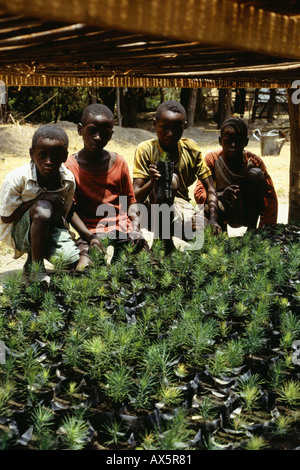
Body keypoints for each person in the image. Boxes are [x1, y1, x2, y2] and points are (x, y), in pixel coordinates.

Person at [133, 100, 221, 251]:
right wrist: (152, 183)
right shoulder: (145, 150)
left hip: (182, 207)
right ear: (155, 124)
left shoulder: (191, 149)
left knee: (206, 233)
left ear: (184, 126)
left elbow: (210, 188)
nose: (170, 134)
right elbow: (135, 196)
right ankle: (163, 243)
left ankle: (175, 235)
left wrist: (213, 219)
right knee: (170, 180)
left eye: (176, 129)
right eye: (164, 127)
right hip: (151, 210)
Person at [65, 103, 145, 268]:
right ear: (80, 130)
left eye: (105, 133)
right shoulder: (69, 167)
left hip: (121, 227)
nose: (98, 137)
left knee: (143, 267)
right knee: (87, 269)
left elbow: (130, 200)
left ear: (111, 135)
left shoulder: (119, 162)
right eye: (92, 130)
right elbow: (70, 211)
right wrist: (89, 237)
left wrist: (136, 226)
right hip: (90, 232)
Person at [0, 124, 81, 286]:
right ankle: (37, 269)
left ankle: (32, 259)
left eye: (55, 156)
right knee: (43, 207)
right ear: (32, 154)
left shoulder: (67, 179)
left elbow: (64, 213)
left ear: (65, 157)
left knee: (70, 261)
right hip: (19, 231)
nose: (49, 162)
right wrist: (39, 199)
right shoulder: (17, 178)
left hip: (49, 226)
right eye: (42, 155)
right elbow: (6, 217)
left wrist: (88, 236)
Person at [194, 117, 278, 231]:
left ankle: (251, 232)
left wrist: (266, 228)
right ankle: (220, 234)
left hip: (247, 208)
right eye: (228, 141)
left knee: (256, 174)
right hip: (222, 207)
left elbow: (269, 198)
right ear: (220, 141)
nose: (233, 145)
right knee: (209, 206)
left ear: (246, 142)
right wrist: (221, 195)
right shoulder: (212, 159)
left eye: (238, 141)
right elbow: (199, 193)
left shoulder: (254, 161)